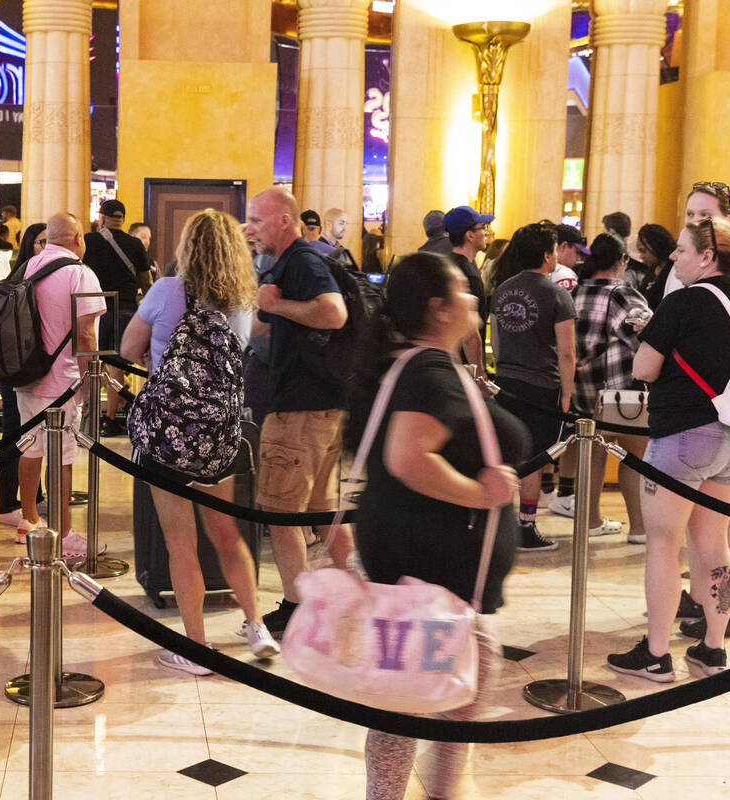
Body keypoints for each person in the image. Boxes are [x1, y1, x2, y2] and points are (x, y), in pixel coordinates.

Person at [353, 253, 522, 800]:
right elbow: (408, 458)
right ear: (439, 308)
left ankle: (431, 792)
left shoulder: (408, 363)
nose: (475, 299)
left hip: (420, 557)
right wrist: (483, 493)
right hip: (429, 562)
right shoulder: (429, 372)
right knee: (425, 692)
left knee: (430, 689)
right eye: (464, 291)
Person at [119, 208, 279, 673]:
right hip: (219, 436)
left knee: (180, 543)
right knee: (227, 534)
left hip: (168, 436)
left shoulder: (167, 290)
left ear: (186, 247)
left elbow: (129, 349)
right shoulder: (242, 303)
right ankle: (255, 625)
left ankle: (195, 649)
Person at [607, 216, 730, 681]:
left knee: (664, 544)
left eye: (683, 249)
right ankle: (712, 648)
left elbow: (645, 368)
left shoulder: (683, 302)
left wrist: (651, 338)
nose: (674, 256)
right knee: (713, 544)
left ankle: (655, 654)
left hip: (683, 437)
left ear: (708, 257)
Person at [244, 187, 348, 636]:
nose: (250, 228)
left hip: (300, 409)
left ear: (284, 221)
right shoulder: (287, 262)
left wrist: (276, 305)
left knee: (282, 513)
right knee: (324, 511)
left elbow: (334, 313)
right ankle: (353, 594)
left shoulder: (302, 260)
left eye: (257, 220)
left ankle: (296, 606)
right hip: (319, 405)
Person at [547, 232, 650, 541]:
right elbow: (647, 335)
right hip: (621, 391)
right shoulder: (622, 294)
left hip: (582, 388)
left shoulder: (573, 293)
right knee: (634, 458)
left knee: (592, 453)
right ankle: (640, 528)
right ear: (620, 262)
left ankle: (590, 520)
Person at [14, 213, 106, 557]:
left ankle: (29, 519)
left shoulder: (26, 268)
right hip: (61, 380)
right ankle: (63, 534)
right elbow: (85, 334)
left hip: (26, 376)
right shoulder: (80, 273)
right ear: (78, 237)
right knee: (62, 457)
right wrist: (90, 383)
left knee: (30, 447)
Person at [490, 222, 577, 551]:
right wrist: (566, 394)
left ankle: (500, 525)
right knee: (534, 459)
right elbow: (567, 352)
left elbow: (496, 341)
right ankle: (526, 527)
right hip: (543, 387)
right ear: (546, 255)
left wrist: (504, 369)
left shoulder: (502, 290)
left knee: (507, 454)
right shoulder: (558, 294)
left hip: (507, 382)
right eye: (555, 250)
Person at [82, 199, 150, 437]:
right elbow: (145, 281)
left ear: (102, 218)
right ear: (123, 219)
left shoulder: (88, 241)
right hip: (125, 309)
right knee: (117, 365)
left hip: (94, 308)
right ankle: (111, 419)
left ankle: (89, 412)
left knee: (91, 362)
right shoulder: (135, 244)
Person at [0, 223, 48, 530]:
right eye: (42, 242)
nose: (47, 247)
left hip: (27, 368)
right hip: (17, 368)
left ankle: (33, 496)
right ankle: (9, 504)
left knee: (31, 434)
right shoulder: (21, 280)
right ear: (29, 245)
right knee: (16, 433)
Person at [442, 205, 492, 375]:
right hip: (463, 366)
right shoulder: (469, 274)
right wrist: (479, 373)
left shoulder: (446, 263)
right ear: (470, 235)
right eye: (483, 228)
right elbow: (470, 334)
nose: (486, 232)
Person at [628, 223, 677, 309]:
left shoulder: (674, 270)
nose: (641, 256)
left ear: (656, 246)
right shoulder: (652, 268)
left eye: (643, 251)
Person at [552, 223, 587, 292]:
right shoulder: (564, 275)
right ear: (564, 246)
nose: (578, 258)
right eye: (577, 251)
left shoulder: (537, 269)